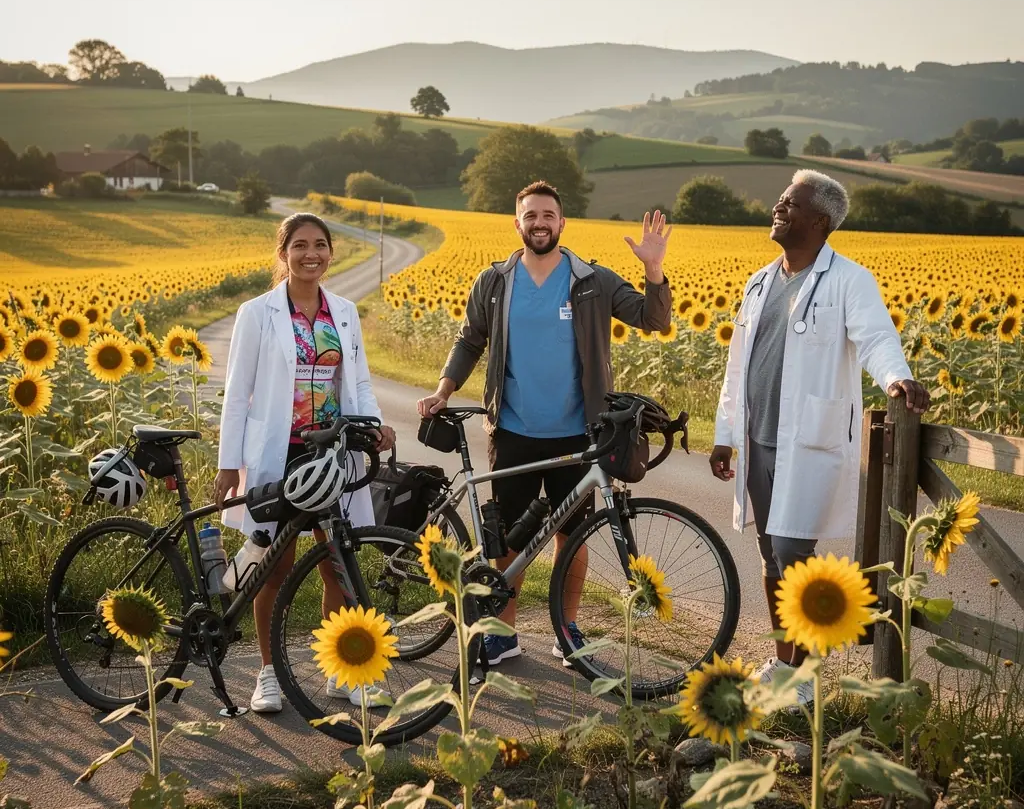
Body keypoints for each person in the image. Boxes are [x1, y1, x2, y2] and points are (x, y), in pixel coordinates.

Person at [416, 180, 673, 665]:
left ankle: (566, 629)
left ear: (562, 222)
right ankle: (501, 634)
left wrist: (653, 269)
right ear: (517, 224)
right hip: (511, 430)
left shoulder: (592, 280)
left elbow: (653, 319)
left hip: (578, 435)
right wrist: (442, 390)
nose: (539, 223)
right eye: (530, 215)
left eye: (548, 215)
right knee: (507, 537)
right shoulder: (494, 282)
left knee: (571, 537)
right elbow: (469, 341)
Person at [709, 170, 929, 704]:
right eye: (782, 199)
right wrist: (724, 434)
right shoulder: (759, 281)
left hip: (807, 439)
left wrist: (896, 376)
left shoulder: (849, 281)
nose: (778, 208)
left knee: (793, 551)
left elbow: (876, 337)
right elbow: (738, 366)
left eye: (790, 203)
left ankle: (802, 676)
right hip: (758, 436)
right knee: (768, 552)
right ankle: (784, 659)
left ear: (820, 221)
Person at [215, 212, 396, 714]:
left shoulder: (344, 312)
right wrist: (230, 464)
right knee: (274, 568)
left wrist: (373, 423)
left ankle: (343, 674)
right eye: (299, 245)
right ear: (283, 254)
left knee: (339, 565)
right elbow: (238, 394)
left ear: (331, 253)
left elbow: (357, 381)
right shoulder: (257, 313)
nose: (310, 254)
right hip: (281, 456)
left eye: (319, 245)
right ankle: (268, 674)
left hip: (332, 456)